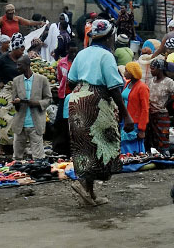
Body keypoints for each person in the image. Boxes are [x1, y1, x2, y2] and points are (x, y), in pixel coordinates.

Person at [66, 19, 131, 207]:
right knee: (103, 145)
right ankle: (85, 187)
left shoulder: (82, 54)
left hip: (77, 99)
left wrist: (83, 89)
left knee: (83, 146)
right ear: (110, 37)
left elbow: (71, 81)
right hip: (97, 102)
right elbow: (114, 88)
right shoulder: (106, 56)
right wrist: (126, 114)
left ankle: (89, 193)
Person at [0, 33, 26, 155]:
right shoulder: (3, 58)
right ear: (15, 48)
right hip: (5, 93)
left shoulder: (21, 59)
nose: (22, 52)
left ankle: (14, 146)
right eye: (21, 50)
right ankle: (1, 147)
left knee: (16, 120)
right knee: (4, 120)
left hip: (18, 91)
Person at [11, 54, 53, 160]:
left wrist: (36, 103)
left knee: (38, 157)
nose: (17, 68)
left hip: (36, 123)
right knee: (17, 157)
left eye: (19, 65)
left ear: (27, 65)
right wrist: (16, 102)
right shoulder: (16, 81)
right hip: (20, 123)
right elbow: (14, 99)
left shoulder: (42, 80)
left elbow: (48, 99)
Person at [145, 57, 174, 152]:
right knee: (151, 139)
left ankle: (165, 157)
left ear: (160, 69)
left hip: (161, 115)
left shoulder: (168, 82)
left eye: (153, 68)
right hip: (150, 114)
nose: (151, 71)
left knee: (163, 139)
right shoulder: (151, 81)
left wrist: (169, 102)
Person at [120, 60, 149, 154]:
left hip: (135, 122)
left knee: (133, 144)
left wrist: (142, 129)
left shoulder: (142, 87)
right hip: (125, 120)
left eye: (126, 70)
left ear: (132, 73)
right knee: (124, 143)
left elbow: (145, 109)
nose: (125, 73)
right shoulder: (128, 84)